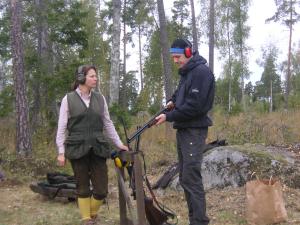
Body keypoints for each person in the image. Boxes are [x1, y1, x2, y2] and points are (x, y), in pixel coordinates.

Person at [56, 65, 128, 225]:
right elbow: (61, 127)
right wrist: (61, 151)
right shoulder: (68, 99)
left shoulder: (100, 98)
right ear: (82, 78)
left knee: (101, 190)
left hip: (98, 147)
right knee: (82, 187)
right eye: (92, 76)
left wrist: (119, 143)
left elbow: (107, 124)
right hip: (77, 147)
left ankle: (92, 213)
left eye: (96, 76)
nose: (96, 79)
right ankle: (86, 219)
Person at [155, 38, 215, 225]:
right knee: (185, 177)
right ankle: (195, 220)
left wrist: (169, 117)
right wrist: (172, 102)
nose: (176, 61)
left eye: (178, 57)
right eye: (173, 57)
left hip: (194, 131)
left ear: (189, 52)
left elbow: (195, 106)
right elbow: (181, 96)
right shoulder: (187, 73)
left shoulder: (201, 72)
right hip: (184, 130)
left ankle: (199, 222)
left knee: (191, 177)